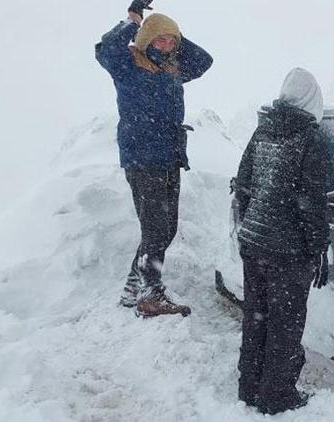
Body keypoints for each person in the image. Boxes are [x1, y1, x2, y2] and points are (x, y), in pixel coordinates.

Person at [95, 1, 213, 317]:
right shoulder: (128, 66)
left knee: (163, 228)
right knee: (157, 229)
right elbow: (106, 48)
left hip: (169, 156)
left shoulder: (172, 70)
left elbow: (204, 61)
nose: (167, 45)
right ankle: (149, 295)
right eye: (160, 39)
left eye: (171, 41)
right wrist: (135, 20)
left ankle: (133, 291)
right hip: (142, 157)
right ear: (146, 40)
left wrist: (172, 31)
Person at [233, 68, 331, 414]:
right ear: (311, 101)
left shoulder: (263, 130)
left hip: (254, 243)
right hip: (287, 252)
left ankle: (249, 386)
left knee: (256, 317)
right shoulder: (311, 140)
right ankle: (277, 396)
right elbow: (311, 202)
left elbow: (242, 185)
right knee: (285, 325)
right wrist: (319, 248)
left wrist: (249, 224)